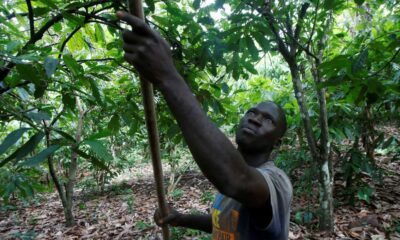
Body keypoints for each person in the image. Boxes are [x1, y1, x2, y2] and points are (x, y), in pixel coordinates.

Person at [117, 11, 293, 240]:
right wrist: (180, 218)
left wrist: (168, 77)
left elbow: (236, 180)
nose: (255, 119)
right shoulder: (234, 179)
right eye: (252, 112)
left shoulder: (276, 183)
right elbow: (226, 223)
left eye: (268, 120)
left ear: (277, 141)